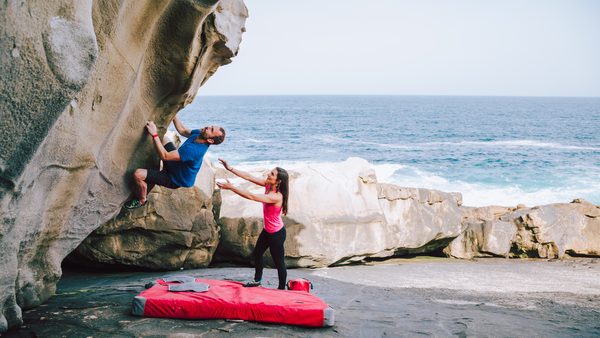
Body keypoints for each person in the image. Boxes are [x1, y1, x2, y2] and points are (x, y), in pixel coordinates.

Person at [216, 159, 289, 290]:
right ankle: (257, 280)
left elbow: (252, 196)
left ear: (278, 181)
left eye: (272, 174)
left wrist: (232, 187)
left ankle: (281, 288)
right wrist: (230, 168)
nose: (268, 174)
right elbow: (249, 177)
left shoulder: (276, 197)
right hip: (267, 231)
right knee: (257, 254)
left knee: (278, 262)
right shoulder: (268, 185)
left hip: (276, 234)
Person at [124, 116, 225, 209]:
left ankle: (142, 200)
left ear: (211, 141)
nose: (208, 127)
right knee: (163, 138)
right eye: (211, 126)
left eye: (211, 130)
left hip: (174, 178)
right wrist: (174, 113)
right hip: (176, 164)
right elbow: (182, 130)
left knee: (138, 174)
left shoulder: (194, 151)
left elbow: (165, 156)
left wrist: (154, 134)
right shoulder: (200, 133)